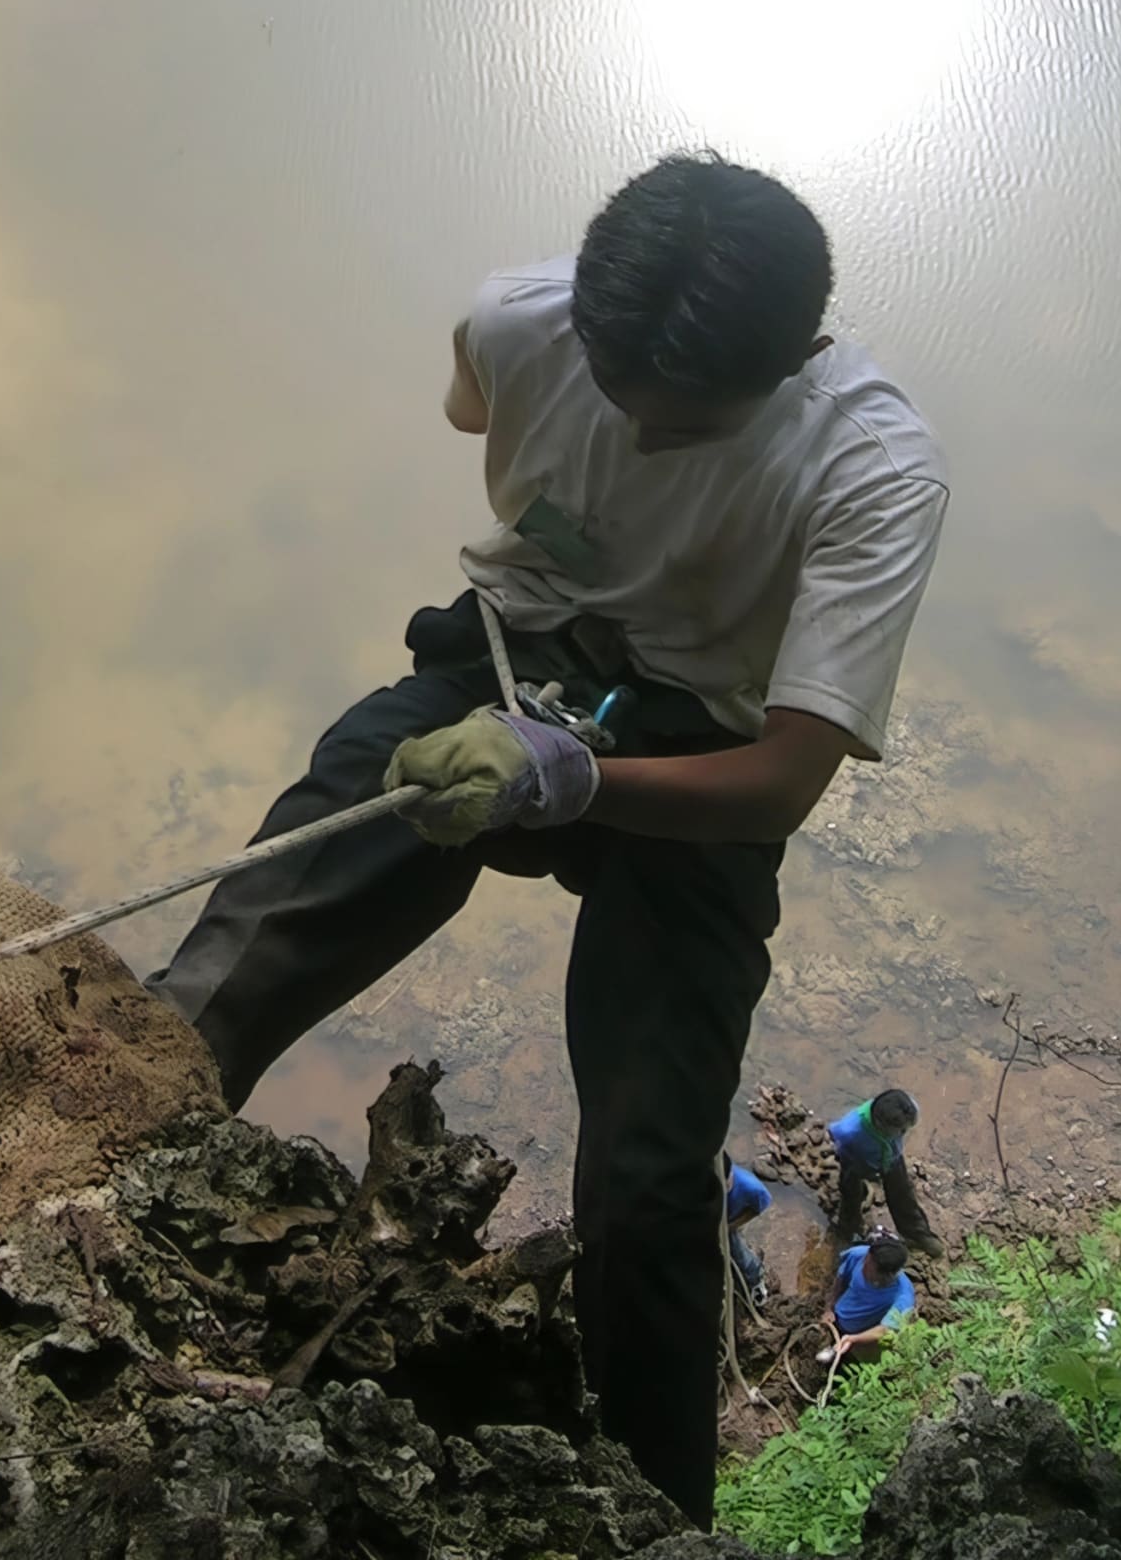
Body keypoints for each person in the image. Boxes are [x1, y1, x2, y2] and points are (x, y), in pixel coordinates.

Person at [146, 152, 948, 1526]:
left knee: (644, 1188)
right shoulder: (526, 322)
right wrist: (526, 737)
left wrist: (572, 780)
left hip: (704, 753)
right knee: (262, 919)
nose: (632, 439)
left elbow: (781, 782)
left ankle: (655, 1517)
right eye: (613, 397)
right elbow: (473, 398)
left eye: (676, 425)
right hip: (511, 665)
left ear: (785, 365)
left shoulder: (868, 470)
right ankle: (98, 1164)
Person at [830, 1087, 942, 1255]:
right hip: (857, 1158)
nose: (904, 1133)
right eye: (901, 1130)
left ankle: (917, 1233)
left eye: (906, 1129)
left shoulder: (908, 1108)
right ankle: (851, 1227)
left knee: (903, 1193)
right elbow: (833, 1136)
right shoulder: (849, 1131)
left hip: (891, 1157)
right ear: (880, 1125)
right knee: (850, 1192)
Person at [821, 1234, 915, 1367]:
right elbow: (840, 1278)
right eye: (866, 1259)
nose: (863, 1264)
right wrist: (829, 1308)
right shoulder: (858, 1254)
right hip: (837, 1316)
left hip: (861, 1333)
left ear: (887, 1274)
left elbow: (885, 1330)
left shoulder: (903, 1296)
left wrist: (853, 1339)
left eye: (868, 1265)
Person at [725, 1156, 772, 1307]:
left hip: (729, 1220)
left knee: (738, 1251)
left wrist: (731, 1226)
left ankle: (756, 1281)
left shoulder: (751, 1187)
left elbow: (757, 1209)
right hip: (715, 1216)